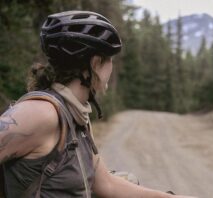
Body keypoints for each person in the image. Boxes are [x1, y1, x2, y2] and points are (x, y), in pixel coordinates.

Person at [0, 11, 196, 198]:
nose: (111, 67)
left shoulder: (75, 116)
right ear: (95, 63)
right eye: (110, 59)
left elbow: (106, 184)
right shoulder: (42, 113)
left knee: (128, 179)